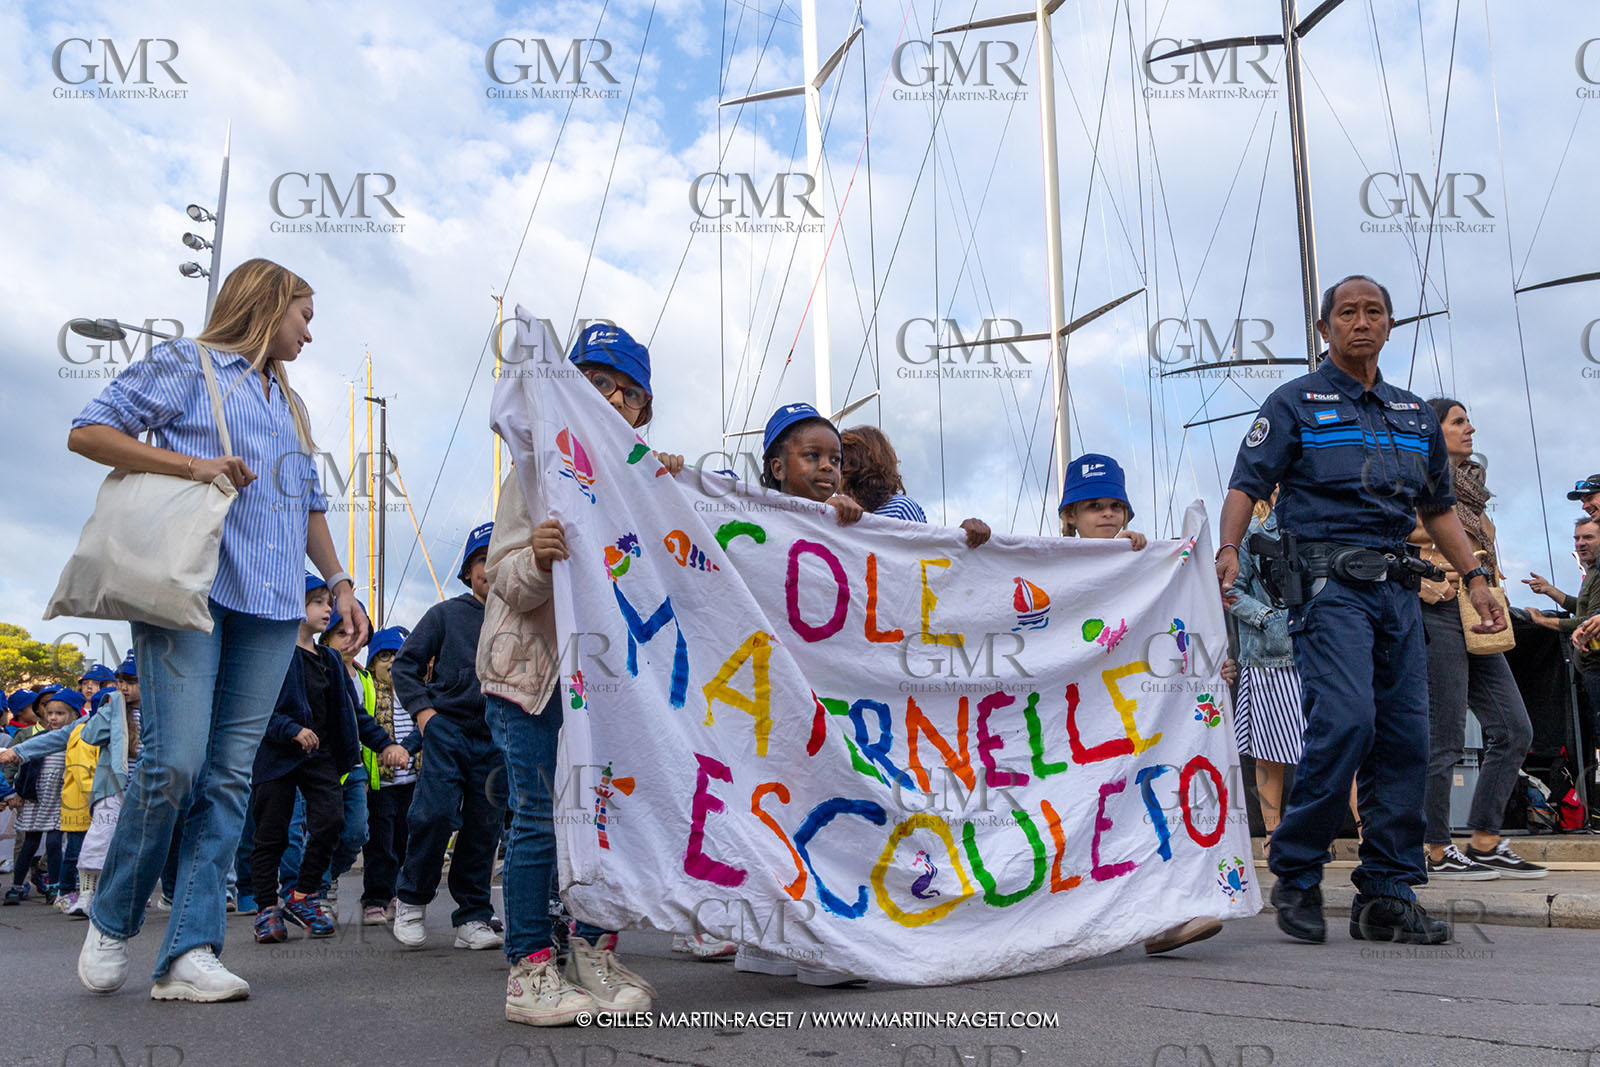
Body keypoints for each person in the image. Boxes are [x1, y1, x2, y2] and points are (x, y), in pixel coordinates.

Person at [68, 257, 369, 1002]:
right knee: (174, 763)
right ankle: (112, 914)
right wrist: (193, 465)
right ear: (269, 307)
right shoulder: (188, 363)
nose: (311, 328)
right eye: (305, 312)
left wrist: (339, 582)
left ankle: (188, 952)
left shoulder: (293, 407)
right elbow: (89, 430)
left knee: (231, 775)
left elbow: (310, 507)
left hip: (271, 607)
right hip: (189, 592)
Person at [1217, 274, 1506, 947]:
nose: (1361, 322)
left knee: (1407, 738)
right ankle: (1296, 867)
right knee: (1346, 722)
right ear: (1325, 329)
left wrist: (1478, 579)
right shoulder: (1294, 402)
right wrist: (1229, 546)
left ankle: (1387, 892)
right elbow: (1246, 482)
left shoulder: (1411, 415)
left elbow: (1437, 509)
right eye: (1346, 312)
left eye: (1374, 311)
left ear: (1389, 324)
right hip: (1326, 586)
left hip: (1398, 590)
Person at [479, 320, 663, 1025]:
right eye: (597, 384)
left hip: (611, 687)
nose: (613, 399)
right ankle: (530, 968)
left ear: (643, 408)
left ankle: (592, 950)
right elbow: (502, 577)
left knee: (605, 818)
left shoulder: (649, 481)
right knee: (537, 818)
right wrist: (540, 556)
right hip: (531, 679)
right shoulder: (535, 470)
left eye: (628, 391)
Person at [1054, 453, 1223, 955]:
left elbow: (1178, 620)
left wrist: (1206, 662)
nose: (1106, 516)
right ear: (1070, 517)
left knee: (1144, 806)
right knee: (1077, 818)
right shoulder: (1048, 562)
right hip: (1072, 720)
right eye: (1092, 507)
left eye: (1114, 506)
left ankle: (1160, 917)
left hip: (1136, 711)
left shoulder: (1149, 561)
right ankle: (1052, 921)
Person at [1407, 398, 1543, 880]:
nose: (1471, 429)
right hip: (1438, 611)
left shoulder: (1474, 493)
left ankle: (1485, 839)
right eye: (1458, 422)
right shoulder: (1412, 482)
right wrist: (1428, 586)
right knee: (1442, 737)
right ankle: (1435, 847)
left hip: (1478, 612)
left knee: (1514, 728)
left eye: (1468, 421)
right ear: (1432, 429)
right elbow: (1386, 541)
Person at [251, 576, 405, 945]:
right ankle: (266, 908)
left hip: (320, 757)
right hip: (277, 756)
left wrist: (383, 744)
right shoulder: (273, 656)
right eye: (317, 603)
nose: (327, 610)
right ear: (293, 608)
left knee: (332, 821)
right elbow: (257, 709)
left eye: (327, 602)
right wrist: (290, 729)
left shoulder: (331, 661)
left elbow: (354, 714)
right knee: (271, 835)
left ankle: (304, 894)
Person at [390, 523, 504, 952]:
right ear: (469, 570)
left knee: (483, 826)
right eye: (482, 561)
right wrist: (425, 715)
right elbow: (405, 664)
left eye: (499, 559)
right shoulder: (444, 614)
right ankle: (412, 899)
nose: (490, 569)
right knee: (433, 815)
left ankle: (472, 916)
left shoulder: (521, 617)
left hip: (497, 737)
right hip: (447, 731)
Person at [1228, 492, 1360, 845]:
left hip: (1323, 649)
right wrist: (1269, 619)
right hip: (1269, 658)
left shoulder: (1325, 530)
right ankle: (1274, 832)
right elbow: (1230, 589)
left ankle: (1366, 831)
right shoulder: (1250, 535)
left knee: (1341, 743)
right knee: (1269, 752)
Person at [70, 653, 143, 920]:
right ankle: (87, 894)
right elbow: (89, 736)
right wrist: (105, 710)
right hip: (113, 785)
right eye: (120, 680)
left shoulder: (158, 708)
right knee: (100, 836)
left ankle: (127, 895)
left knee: (136, 842)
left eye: (131, 681)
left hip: (147, 786)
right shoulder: (113, 706)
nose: (123, 687)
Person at [839, 424, 990, 547]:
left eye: (838, 462)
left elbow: (925, 557)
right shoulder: (835, 512)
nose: (831, 469)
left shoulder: (900, 509)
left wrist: (961, 541)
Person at [1, 689, 83, 903]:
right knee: (30, 843)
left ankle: (55, 886)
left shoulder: (76, 740)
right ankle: (17, 886)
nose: (53, 718)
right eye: (50, 713)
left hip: (60, 799)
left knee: (55, 842)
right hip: (36, 799)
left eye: (60, 714)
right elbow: (25, 769)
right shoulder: (39, 739)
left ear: (74, 716)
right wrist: (17, 791)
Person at [359, 626, 417, 925]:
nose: (391, 662)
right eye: (384, 657)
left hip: (411, 781)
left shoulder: (413, 693)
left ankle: (397, 894)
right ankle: (375, 898)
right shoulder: (370, 692)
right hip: (380, 781)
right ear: (371, 663)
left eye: (397, 655)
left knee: (405, 840)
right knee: (380, 842)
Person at [1526, 518, 1600, 710]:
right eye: (1577, 538)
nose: (1580, 543)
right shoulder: (1593, 570)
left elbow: (1589, 621)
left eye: (1588, 537)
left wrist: (1544, 621)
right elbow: (1584, 608)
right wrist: (1549, 590)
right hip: (1587, 668)